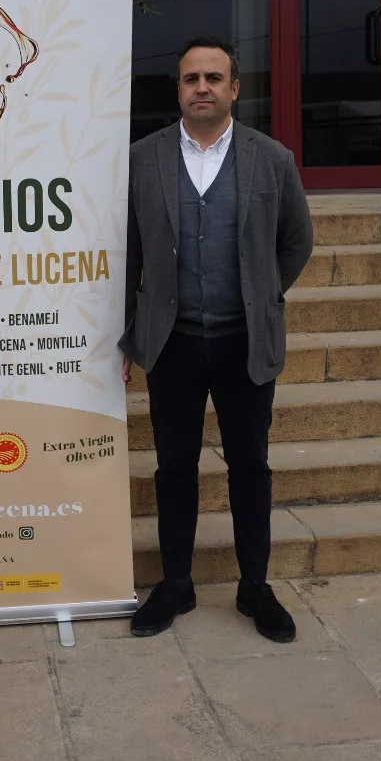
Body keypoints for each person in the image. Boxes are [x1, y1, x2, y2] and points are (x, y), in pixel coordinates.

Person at [120, 36, 313, 641]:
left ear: (234, 88)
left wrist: (261, 293)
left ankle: (255, 586)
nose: (201, 87)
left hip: (244, 344)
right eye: (189, 79)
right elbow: (126, 254)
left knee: (250, 467)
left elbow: (297, 241)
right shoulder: (142, 159)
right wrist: (130, 335)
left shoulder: (272, 159)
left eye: (213, 78)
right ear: (177, 90)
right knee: (174, 466)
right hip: (172, 343)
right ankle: (176, 584)